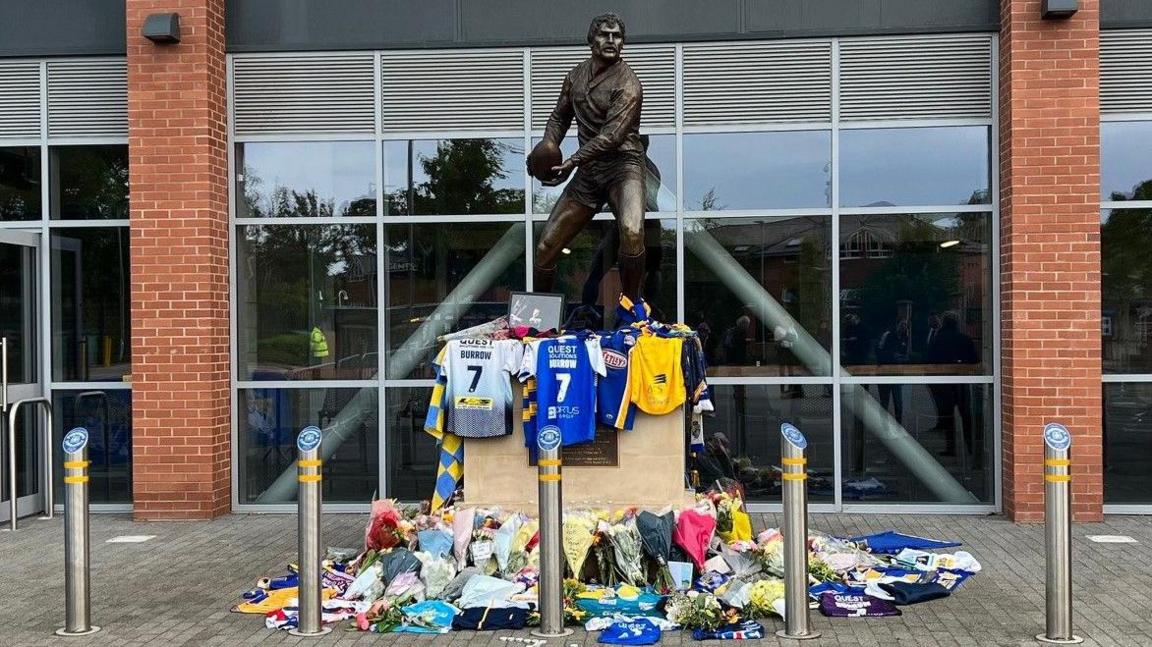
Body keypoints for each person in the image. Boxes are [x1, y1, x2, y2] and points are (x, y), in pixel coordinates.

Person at [529, 13, 648, 306]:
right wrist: (548, 146)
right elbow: (559, 116)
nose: (611, 41)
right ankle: (540, 318)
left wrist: (570, 162)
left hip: (624, 167)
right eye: (604, 34)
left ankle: (630, 308)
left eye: (617, 36)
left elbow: (612, 137)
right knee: (545, 247)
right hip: (590, 172)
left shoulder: (629, 84)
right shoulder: (575, 76)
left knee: (632, 231)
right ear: (591, 39)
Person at [926, 311, 979, 456]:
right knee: (966, 416)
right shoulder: (964, 339)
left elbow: (929, 359)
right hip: (962, 381)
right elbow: (975, 360)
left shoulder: (938, 339)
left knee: (947, 416)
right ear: (956, 323)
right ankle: (972, 448)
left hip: (943, 383)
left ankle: (951, 448)